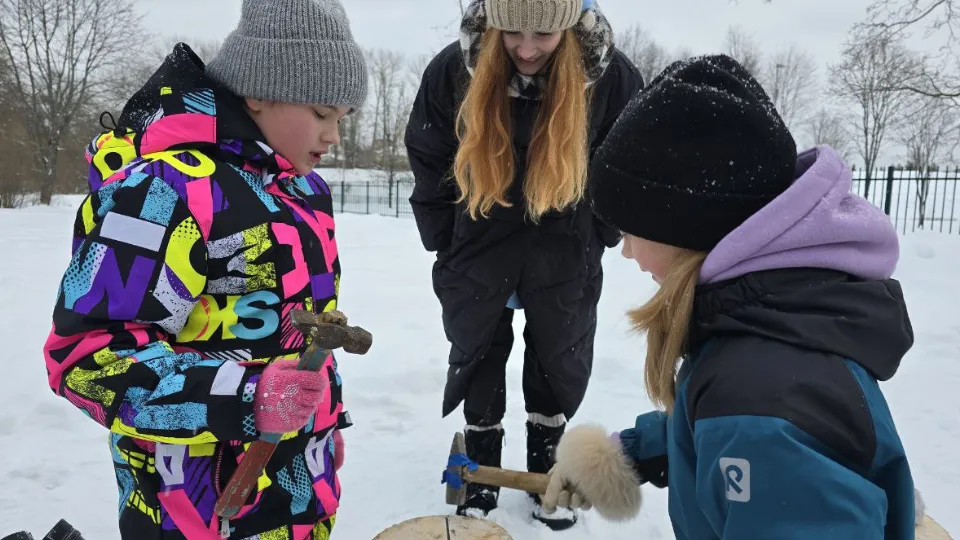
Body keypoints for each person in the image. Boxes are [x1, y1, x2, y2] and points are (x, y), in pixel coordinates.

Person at [538, 55, 918, 539]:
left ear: (689, 229)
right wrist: (629, 453)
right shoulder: (770, 323)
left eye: (633, 230)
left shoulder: (759, 406)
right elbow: (732, 421)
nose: (627, 250)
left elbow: (759, 427)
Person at [41, 0, 367, 538]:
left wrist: (321, 426)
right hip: (192, 502)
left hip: (298, 489)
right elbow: (86, 359)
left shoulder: (307, 192)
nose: (333, 135)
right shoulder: (164, 192)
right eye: (320, 113)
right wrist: (247, 398)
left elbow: (299, 333)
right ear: (259, 93)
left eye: (341, 118)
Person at [404, 0, 642, 528]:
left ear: (569, 25)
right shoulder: (453, 70)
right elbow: (428, 150)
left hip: (566, 240)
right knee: (479, 346)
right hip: (480, 232)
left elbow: (625, 159)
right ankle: (481, 473)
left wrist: (601, 232)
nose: (526, 48)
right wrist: (444, 236)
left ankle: (547, 471)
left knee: (559, 350)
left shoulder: (611, 77)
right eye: (511, 30)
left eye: (543, 33)